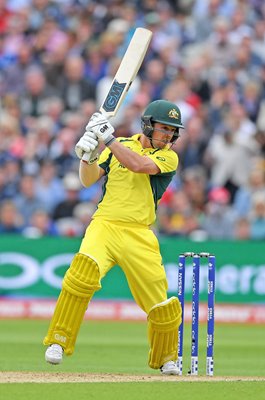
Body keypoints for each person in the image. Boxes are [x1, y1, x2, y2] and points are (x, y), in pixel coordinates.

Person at [43, 100, 184, 375]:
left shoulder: (168, 157)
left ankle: (167, 357)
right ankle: (58, 341)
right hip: (105, 225)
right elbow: (88, 179)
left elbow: (139, 166)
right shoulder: (121, 145)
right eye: (163, 128)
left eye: (172, 130)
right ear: (148, 125)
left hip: (139, 233)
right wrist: (88, 155)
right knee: (81, 274)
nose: (168, 135)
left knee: (160, 302)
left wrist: (107, 139)